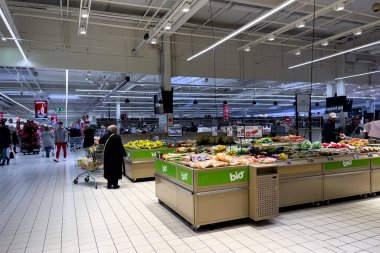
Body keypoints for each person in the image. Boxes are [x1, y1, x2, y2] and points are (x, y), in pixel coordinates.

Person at [99, 125, 126, 189]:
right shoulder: (117, 137)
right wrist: (124, 153)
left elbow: (100, 141)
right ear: (115, 130)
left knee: (108, 169)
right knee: (116, 169)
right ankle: (115, 185)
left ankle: (109, 184)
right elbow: (120, 146)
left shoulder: (105, 136)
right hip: (116, 156)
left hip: (107, 155)